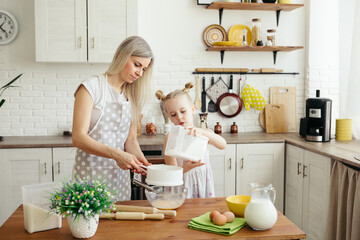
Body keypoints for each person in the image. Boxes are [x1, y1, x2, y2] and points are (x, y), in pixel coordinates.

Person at [72, 36, 154, 201]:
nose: (140, 73)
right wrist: (117, 155)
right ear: (120, 56)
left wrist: (141, 162)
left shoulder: (131, 95)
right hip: (90, 177)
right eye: (137, 65)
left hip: (119, 181)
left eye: (144, 68)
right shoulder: (91, 87)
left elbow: (130, 140)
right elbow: (78, 138)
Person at [155, 83, 227, 198]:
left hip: (203, 182)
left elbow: (223, 145)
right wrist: (185, 169)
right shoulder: (170, 137)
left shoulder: (203, 133)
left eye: (183, 111)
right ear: (169, 116)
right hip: (181, 186)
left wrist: (202, 132)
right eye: (173, 115)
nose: (179, 117)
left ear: (193, 109)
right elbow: (172, 173)